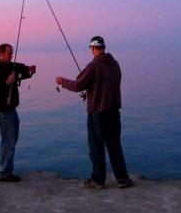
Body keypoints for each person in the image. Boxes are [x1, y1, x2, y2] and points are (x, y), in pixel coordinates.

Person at [56, 36, 133, 189]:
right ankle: (122, 178)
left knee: (96, 147)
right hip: (114, 112)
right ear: (104, 46)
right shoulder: (115, 64)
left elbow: (78, 85)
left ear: (93, 48)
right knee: (115, 145)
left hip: (98, 112)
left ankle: (98, 180)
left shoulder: (94, 65)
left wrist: (62, 82)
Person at [0, 43, 36, 182]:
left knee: (11, 139)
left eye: (12, 53)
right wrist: (7, 82)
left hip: (11, 109)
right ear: (0, 54)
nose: (11, 56)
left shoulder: (9, 66)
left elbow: (19, 71)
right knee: (8, 140)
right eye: (9, 54)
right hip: (2, 111)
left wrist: (29, 71)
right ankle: (4, 173)